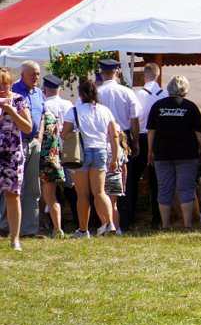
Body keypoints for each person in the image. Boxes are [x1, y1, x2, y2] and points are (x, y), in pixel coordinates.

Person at [147, 76, 201, 231]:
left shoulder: (157, 106)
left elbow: (151, 131)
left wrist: (150, 151)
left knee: (165, 188)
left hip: (162, 153)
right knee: (186, 188)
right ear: (185, 89)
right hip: (187, 153)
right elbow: (199, 132)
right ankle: (187, 224)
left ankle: (165, 225)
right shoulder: (190, 107)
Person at [62, 79, 118, 238]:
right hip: (100, 151)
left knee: (83, 195)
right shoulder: (105, 111)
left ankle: (83, 230)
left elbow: (64, 135)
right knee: (100, 192)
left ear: (80, 94)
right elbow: (113, 136)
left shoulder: (74, 111)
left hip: (81, 153)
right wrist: (114, 158)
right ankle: (110, 223)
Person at [96, 58, 141, 231]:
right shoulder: (127, 92)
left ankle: (104, 222)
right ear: (117, 72)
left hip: (102, 138)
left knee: (100, 182)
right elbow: (134, 119)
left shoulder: (98, 92)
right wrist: (135, 141)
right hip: (122, 137)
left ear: (101, 73)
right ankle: (124, 222)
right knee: (122, 182)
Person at [2, 61, 44, 239]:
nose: (36, 77)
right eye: (33, 74)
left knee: (29, 189)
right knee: (8, 192)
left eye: (38, 74)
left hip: (24, 145)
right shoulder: (18, 91)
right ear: (23, 75)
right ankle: (4, 226)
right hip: (14, 146)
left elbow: (41, 117)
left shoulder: (35, 94)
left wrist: (40, 136)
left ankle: (28, 229)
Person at [0, 67, 33, 250]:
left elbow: (28, 128)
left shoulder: (19, 101)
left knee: (12, 195)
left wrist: (10, 110)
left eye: (6, 84)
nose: (3, 89)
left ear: (11, 84)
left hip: (12, 154)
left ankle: (15, 239)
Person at [132, 63, 164, 229]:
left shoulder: (137, 94)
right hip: (159, 138)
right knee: (158, 180)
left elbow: (135, 119)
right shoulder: (164, 94)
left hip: (142, 136)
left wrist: (135, 140)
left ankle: (130, 217)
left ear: (144, 76)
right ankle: (158, 218)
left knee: (133, 179)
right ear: (157, 76)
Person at [40, 74, 72, 237]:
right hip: (67, 147)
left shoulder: (43, 105)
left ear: (45, 89)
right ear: (59, 89)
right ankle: (74, 219)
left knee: (49, 190)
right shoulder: (68, 104)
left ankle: (51, 223)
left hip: (48, 150)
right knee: (71, 188)